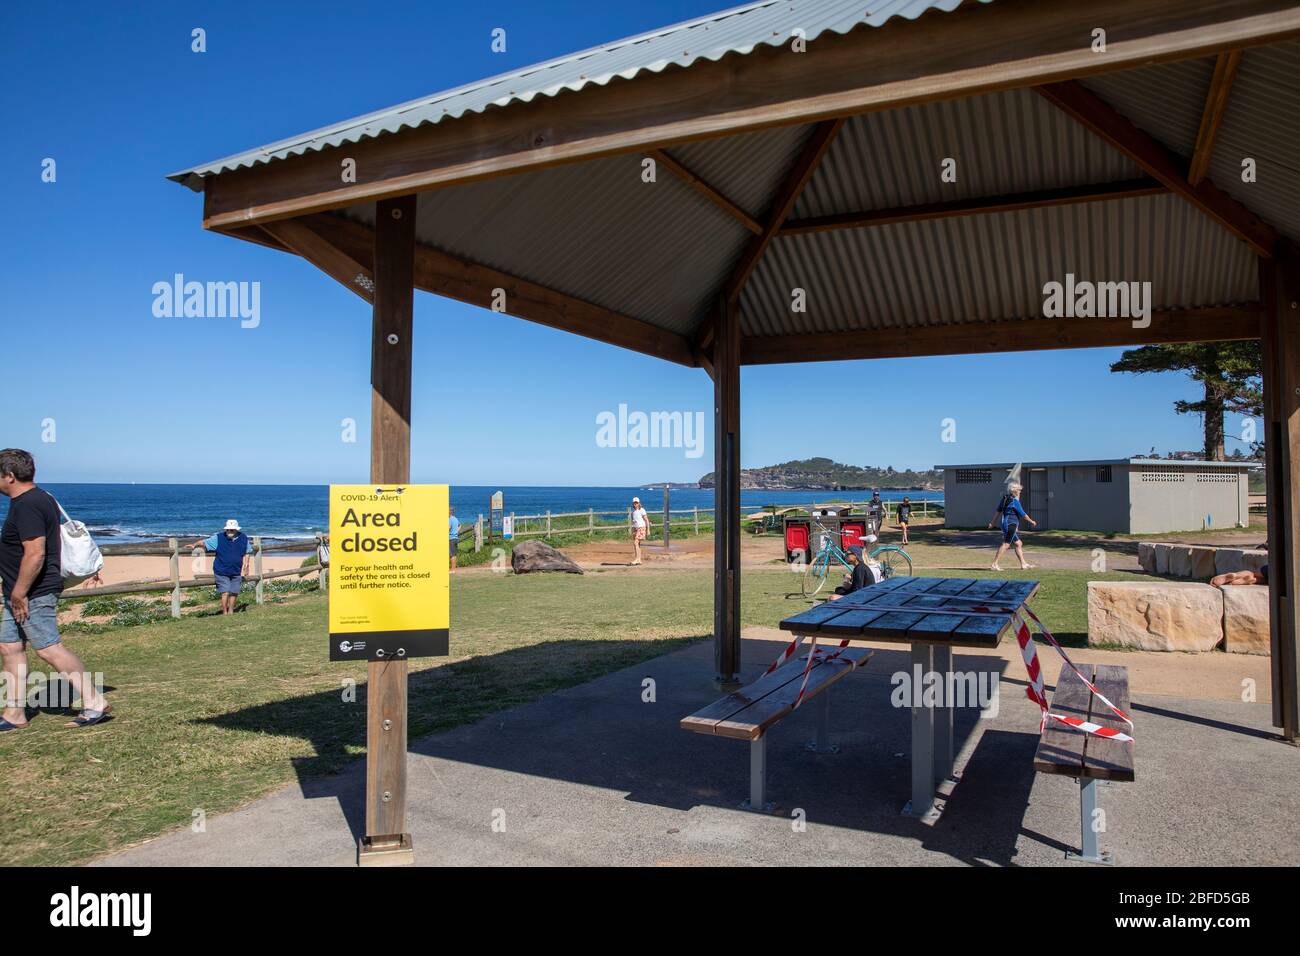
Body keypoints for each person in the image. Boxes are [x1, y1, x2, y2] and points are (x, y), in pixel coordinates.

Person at [0, 448, 111, 730]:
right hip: (17, 591)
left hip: (32, 592)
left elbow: (35, 553)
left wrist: (19, 592)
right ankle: (14, 713)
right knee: (10, 647)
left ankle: (94, 701)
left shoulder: (28, 504)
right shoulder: (38, 498)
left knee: (49, 648)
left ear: (9, 476)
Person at [190, 519, 252, 615]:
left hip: (236, 570)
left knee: (234, 592)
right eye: (228, 529)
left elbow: (247, 551)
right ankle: (225, 612)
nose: (229, 531)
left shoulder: (243, 538)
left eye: (232, 530)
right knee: (225, 591)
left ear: (236, 530)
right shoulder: (218, 538)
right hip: (221, 570)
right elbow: (204, 542)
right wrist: (194, 544)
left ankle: (231, 611)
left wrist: (246, 565)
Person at [988, 483, 1037, 571]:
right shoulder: (1014, 501)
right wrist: (1032, 521)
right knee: (1006, 544)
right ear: (1014, 491)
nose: (1020, 492)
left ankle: (1023, 564)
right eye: (1019, 490)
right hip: (1011, 525)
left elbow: (998, 511)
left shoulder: (1005, 499)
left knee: (1019, 543)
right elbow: (1023, 514)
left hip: (1005, 524)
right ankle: (994, 564)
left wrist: (992, 522)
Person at [630, 496, 651, 565]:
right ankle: (639, 560)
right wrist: (633, 530)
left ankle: (636, 559)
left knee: (635, 543)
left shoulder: (642, 510)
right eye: (634, 503)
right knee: (638, 544)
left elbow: (646, 520)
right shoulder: (633, 512)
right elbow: (633, 522)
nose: (635, 504)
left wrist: (648, 530)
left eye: (636, 503)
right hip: (636, 528)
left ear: (639, 503)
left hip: (641, 528)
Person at [448, 507, 460, 574]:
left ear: (450, 512)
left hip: (451, 538)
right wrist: (456, 532)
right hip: (455, 538)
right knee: (454, 554)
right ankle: (454, 569)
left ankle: (452, 570)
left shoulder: (450, 519)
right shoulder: (455, 518)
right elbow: (460, 525)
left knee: (452, 555)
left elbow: (449, 528)